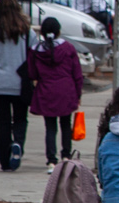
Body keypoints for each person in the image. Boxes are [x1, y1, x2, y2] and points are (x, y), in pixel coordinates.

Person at [25, 17, 85, 171]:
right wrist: (78, 94)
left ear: (42, 33)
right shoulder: (68, 48)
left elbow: (32, 73)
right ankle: (66, 156)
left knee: (50, 127)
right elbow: (77, 73)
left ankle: (51, 160)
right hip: (66, 90)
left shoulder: (36, 50)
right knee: (65, 125)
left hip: (46, 91)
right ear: (59, 31)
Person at [0, 0, 32, 172]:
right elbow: (32, 55)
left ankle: (4, 159)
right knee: (20, 118)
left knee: (2, 121)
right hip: (20, 82)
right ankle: (17, 143)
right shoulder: (26, 31)